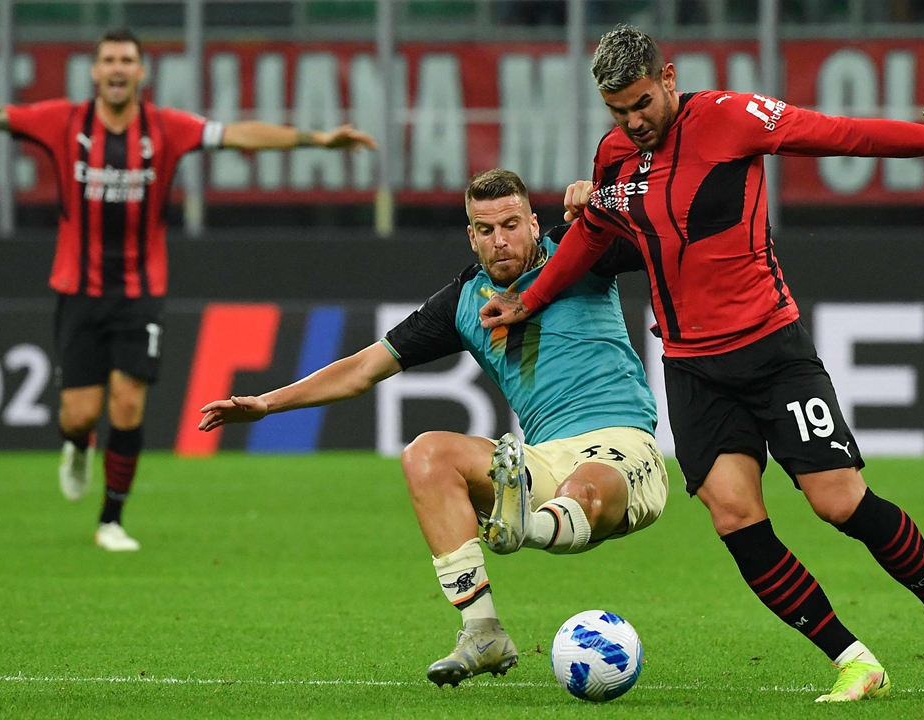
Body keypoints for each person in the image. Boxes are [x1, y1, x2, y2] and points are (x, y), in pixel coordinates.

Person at [480, 25, 924, 702]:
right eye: (618, 110)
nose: (634, 120)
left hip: (772, 352)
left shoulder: (732, 119)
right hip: (691, 368)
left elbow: (847, 134)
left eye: (642, 103)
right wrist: (526, 300)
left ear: (669, 79)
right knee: (735, 517)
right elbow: (595, 231)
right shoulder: (615, 157)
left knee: (839, 502)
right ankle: (854, 660)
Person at [0, 30, 376, 552]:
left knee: (129, 405)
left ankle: (111, 520)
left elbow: (239, 134)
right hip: (78, 291)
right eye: (108, 59)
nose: (117, 68)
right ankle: (76, 445)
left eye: (127, 60)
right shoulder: (62, 122)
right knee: (79, 415)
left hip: (140, 292)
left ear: (141, 72)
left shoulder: (166, 128)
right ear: (94, 71)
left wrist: (317, 140)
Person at [199, 168, 669, 687]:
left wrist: (604, 202)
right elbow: (361, 369)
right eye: (485, 230)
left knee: (588, 487)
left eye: (511, 224)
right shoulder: (462, 302)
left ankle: (519, 529)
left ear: (535, 224)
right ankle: (483, 632)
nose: (500, 240)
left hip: (624, 443)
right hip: (539, 460)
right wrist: (266, 403)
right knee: (426, 454)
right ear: (471, 235)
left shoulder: (582, 247)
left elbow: (666, 230)